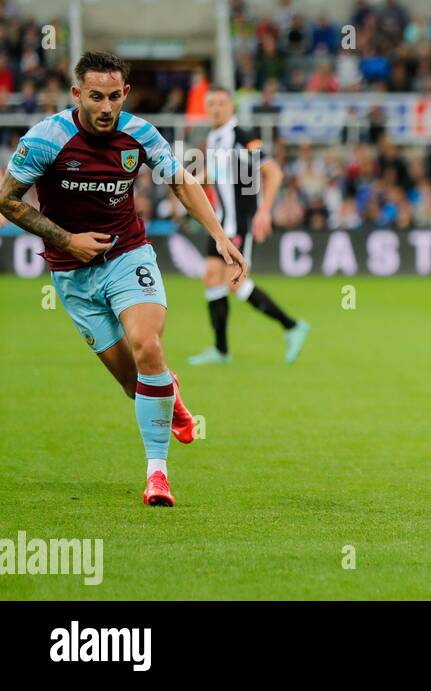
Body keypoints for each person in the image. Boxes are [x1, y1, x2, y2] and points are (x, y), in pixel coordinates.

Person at [0, 51, 248, 506]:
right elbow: (7, 200)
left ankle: (158, 475)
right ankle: (167, 393)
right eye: (96, 96)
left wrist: (219, 237)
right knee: (136, 384)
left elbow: (180, 181)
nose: (106, 107)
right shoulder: (46, 139)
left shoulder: (139, 134)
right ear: (77, 94)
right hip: (72, 276)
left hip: (128, 256)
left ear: (125, 94)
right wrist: (67, 239)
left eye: (115, 96)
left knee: (148, 346)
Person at [187, 87, 309, 365]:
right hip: (219, 222)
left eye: (221, 103)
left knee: (236, 283)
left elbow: (273, 172)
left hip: (239, 223)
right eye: (211, 104)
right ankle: (220, 350)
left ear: (231, 106)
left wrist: (264, 211)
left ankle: (292, 326)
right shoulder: (215, 137)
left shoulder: (241, 136)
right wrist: (189, 183)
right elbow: (217, 173)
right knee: (211, 277)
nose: (216, 108)